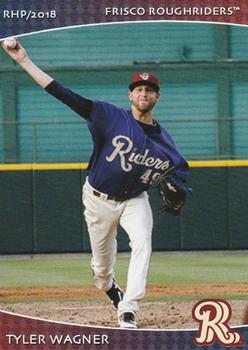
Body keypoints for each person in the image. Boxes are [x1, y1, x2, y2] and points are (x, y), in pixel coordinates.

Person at [2, 39, 190, 329]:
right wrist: (24, 61)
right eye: (138, 89)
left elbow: (181, 171)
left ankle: (128, 309)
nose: (144, 93)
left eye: (149, 89)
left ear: (157, 97)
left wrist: (179, 189)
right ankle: (110, 287)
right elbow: (62, 93)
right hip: (98, 199)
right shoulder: (109, 116)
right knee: (102, 269)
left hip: (134, 200)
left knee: (143, 243)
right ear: (130, 96)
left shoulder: (166, 143)